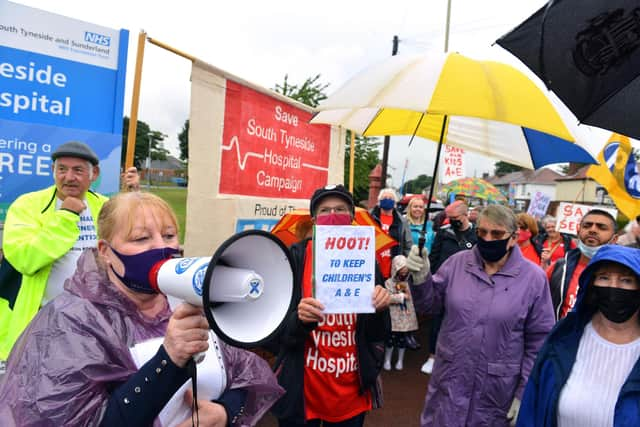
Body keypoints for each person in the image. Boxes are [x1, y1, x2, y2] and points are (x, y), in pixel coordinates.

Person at [0, 192, 283, 426]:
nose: (161, 247)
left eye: (170, 235)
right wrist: (169, 359)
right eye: (141, 239)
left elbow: (246, 380)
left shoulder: (187, 300)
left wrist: (222, 413)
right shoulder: (73, 322)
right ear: (105, 251)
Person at [407, 205, 555, 426]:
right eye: (482, 232)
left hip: (496, 393)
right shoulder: (457, 263)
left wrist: (524, 393)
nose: (488, 239)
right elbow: (429, 305)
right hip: (450, 380)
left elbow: (539, 342)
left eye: (497, 234)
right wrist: (420, 278)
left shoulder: (533, 278)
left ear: (513, 238)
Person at [0, 141, 139, 361]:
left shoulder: (106, 206)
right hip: (40, 323)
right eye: (62, 169)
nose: (69, 177)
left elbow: (132, 244)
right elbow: (25, 259)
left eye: (78, 170)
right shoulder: (26, 205)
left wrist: (134, 196)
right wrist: (67, 217)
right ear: (53, 171)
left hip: (93, 323)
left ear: (94, 174)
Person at [271, 184, 391, 427]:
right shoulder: (293, 258)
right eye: (324, 211)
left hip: (351, 392)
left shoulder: (367, 261)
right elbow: (274, 334)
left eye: (340, 209)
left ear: (352, 217)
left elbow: (380, 333)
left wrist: (381, 308)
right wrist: (298, 320)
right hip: (303, 392)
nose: (332, 215)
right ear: (314, 220)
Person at [517, 245, 640, 426]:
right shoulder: (563, 340)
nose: (614, 288)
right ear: (591, 285)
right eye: (604, 278)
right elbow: (533, 408)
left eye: (626, 280)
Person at [421, 200, 478, 375]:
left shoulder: (476, 235)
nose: (451, 221)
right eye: (449, 217)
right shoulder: (444, 233)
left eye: (454, 218)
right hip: (444, 283)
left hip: (468, 285)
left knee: (463, 322)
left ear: (465, 215)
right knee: (437, 320)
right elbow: (434, 256)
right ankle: (432, 355)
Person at [547, 209, 618, 321]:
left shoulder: (622, 274)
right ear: (578, 232)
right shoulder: (559, 267)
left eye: (601, 227)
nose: (592, 230)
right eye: (587, 226)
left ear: (614, 239)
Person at [383, 255, 418, 371]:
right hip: (393, 316)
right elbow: (388, 298)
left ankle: (400, 360)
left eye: (405, 272)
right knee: (390, 339)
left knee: (402, 340)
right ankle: (387, 359)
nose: (403, 274)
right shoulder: (388, 283)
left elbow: (411, 299)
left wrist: (407, 293)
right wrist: (401, 296)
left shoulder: (408, 283)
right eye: (401, 272)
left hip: (404, 316)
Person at [370, 188, 413, 279]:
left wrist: (406, 264)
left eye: (390, 198)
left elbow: (408, 245)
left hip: (393, 266)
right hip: (373, 263)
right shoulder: (370, 217)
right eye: (385, 197)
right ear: (379, 201)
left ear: (395, 203)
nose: (387, 200)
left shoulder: (402, 221)